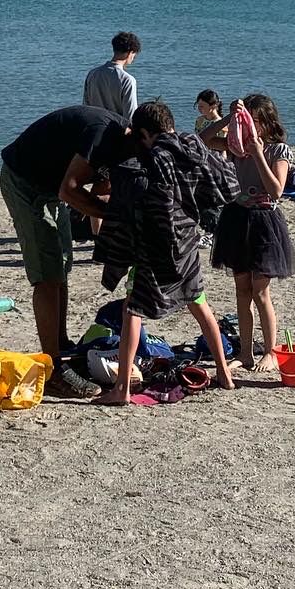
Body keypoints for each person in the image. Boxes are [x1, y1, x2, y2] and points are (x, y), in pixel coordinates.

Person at [92, 100, 236, 403]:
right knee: (199, 304)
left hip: (154, 248)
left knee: (132, 310)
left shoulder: (152, 161)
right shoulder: (193, 148)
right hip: (188, 241)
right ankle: (224, 374)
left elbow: (142, 201)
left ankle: (121, 389)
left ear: (145, 133)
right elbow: (223, 182)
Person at [0, 105, 133, 397]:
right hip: (25, 182)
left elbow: (101, 186)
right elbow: (69, 190)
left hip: (51, 187)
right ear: (138, 134)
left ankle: (60, 345)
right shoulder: (102, 135)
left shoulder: (126, 143)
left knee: (61, 265)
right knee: (47, 275)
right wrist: (114, 217)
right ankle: (52, 370)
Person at [201, 94, 295, 371]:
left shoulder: (277, 150)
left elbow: (276, 190)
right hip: (236, 217)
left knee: (261, 291)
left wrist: (257, 153)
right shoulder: (236, 146)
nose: (250, 127)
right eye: (247, 121)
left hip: (264, 221)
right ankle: (245, 353)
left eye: (255, 121)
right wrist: (230, 118)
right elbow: (204, 140)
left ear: (268, 122)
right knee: (242, 290)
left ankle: (270, 351)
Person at [83, 33, 141, 121]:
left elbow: (86, 107)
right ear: (130, 53)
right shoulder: (127, 80)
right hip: (116, 128)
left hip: (93, 125)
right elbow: (130, 115)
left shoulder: (92, 74)